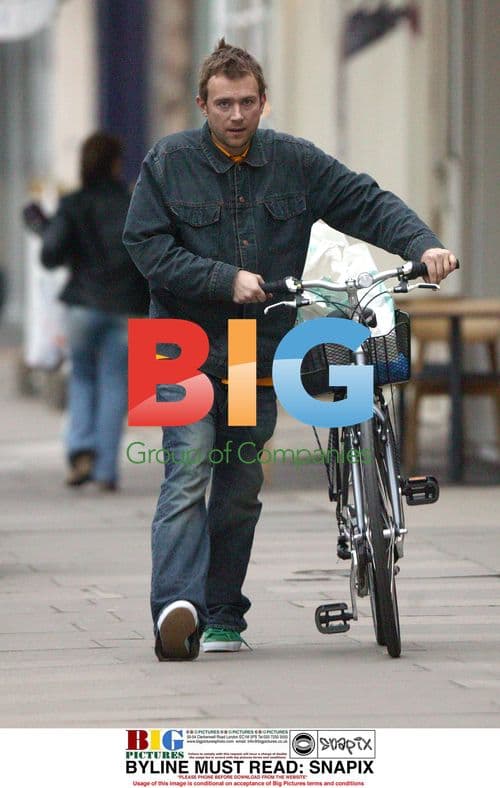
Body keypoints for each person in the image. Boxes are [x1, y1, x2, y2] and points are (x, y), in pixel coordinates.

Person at [123, 39, 458, 661]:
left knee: (240, 483)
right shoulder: (167, 161)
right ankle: (177, 607)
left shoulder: (293, 161)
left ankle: (223, 615)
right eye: (223, 103)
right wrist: (225, 279)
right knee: (187, 469)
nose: (236, 115)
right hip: (175, 342)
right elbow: (144, 246)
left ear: (263, 101)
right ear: (203, 104)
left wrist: (423, 244)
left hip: (251, 345)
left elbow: (365, 201)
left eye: (247, 102)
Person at [37, 132, 149, 490]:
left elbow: (50, 255)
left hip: (82, 305)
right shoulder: (133, 203)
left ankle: (80, 449)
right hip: (127, 308)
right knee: (116, 382)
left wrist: (43, 227)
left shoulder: (73, 204)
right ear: (116, 163)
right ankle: (105, 471)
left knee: (83, 377)